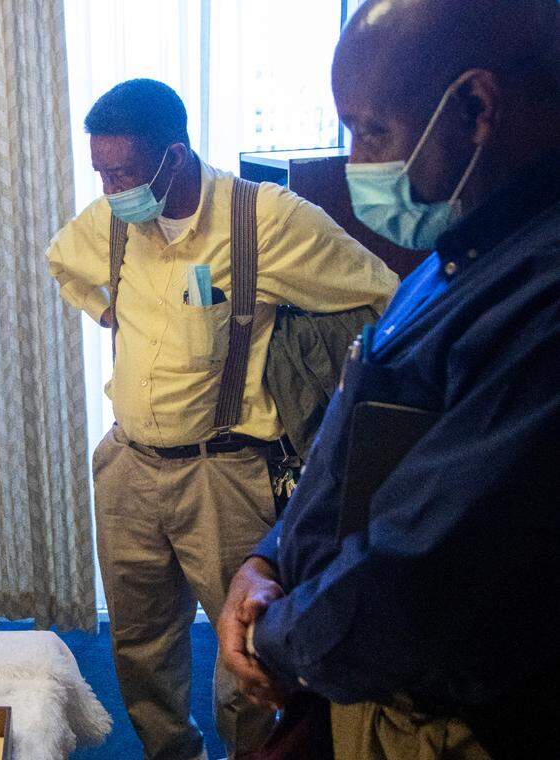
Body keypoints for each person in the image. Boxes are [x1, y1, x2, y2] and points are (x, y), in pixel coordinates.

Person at [217, 1, 560, 757]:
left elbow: (423, 575)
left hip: (444, 715)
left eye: (372, 130)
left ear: (475, 108)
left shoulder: (542, 299)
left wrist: (267, 635)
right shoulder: (455, 253)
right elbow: (352, 450)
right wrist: (267, 557)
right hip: (348, 667)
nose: (355, 160)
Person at [45, 78, 398, 759]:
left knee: (246, 649)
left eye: (123, 172)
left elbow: (382, 293)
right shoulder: (113, 222)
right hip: (127, 466)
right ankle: (170, 752)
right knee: (140, 644)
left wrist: (316, 376)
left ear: (174, 158)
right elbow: (62, 261)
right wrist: (107, 311)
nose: (111, 188)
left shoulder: (263, 219)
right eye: (101, 171)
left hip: (226, 474)